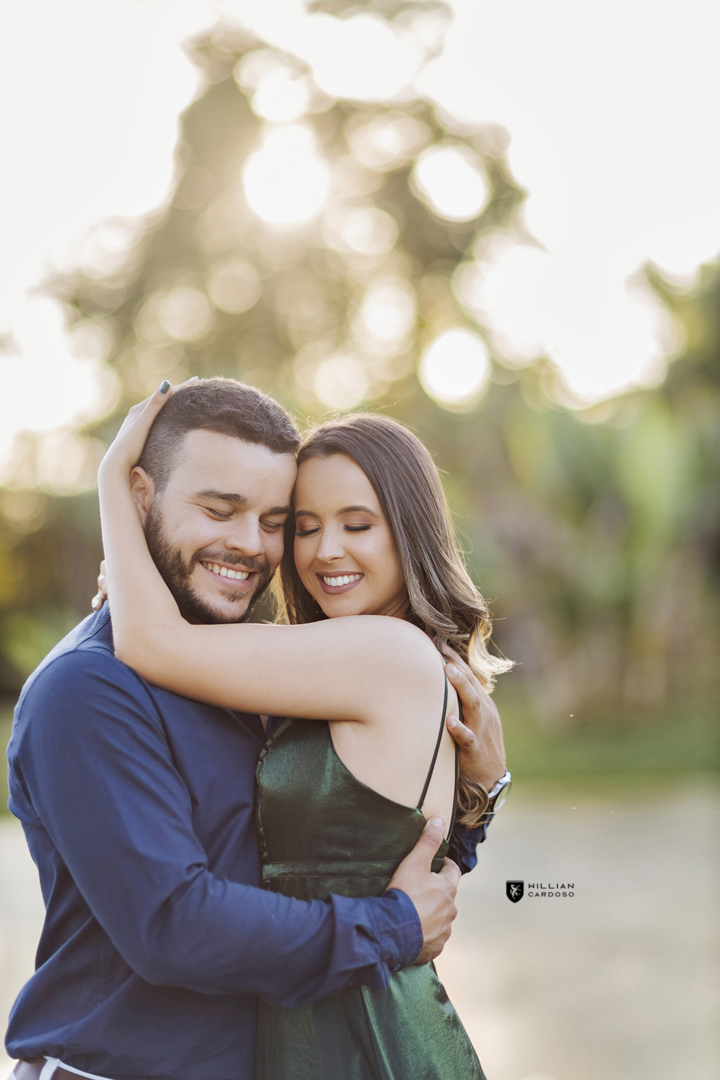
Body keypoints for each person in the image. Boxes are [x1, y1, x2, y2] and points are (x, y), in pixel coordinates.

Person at [5, 378, 507, 1080]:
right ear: (142, 497)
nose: (250, 544)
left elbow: (377, 851)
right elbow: (172, 927)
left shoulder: (266, 668)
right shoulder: (89, 689)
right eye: (219, 510)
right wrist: (393, 926)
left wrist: (480, 792)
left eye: (274, 521)